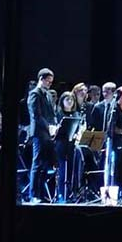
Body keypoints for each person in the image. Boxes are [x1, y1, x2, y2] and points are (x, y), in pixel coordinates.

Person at [27, 68, 57, 203]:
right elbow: (36, 115)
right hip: (39, 133)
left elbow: (51, 113)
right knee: (37, 163)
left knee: (45, 164)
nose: (50, 84)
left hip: (48, 133)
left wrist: (55, 125)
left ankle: (41, 193)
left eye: (51, 82)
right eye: (48, 81)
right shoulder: (34, 94)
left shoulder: (48, 94)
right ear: (41, 79)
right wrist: (48, 127)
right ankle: (33, 194)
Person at [55, 91, 80, 202]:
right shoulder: (59, 114)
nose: (70, 101)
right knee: (62, 170)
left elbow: (78, 129)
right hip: (61, 144)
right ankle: (61, 194)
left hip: (71, 145)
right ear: (62, 101)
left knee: (71, 170)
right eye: (67, 99)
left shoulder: (76, 115)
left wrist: (77, 134)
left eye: (72, 99)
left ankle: (71, 193)